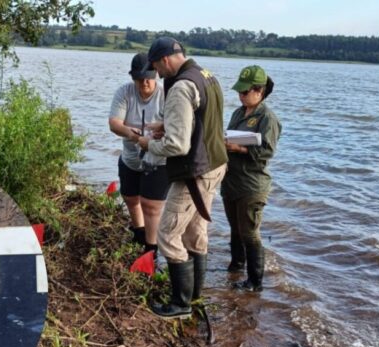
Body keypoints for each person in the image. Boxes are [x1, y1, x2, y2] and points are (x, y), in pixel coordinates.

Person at [137, 37, 228, 319]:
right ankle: (196, 296)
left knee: (167, 234)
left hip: (193, 173)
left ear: (165, 60)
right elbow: (201, 119)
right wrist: (164, 124)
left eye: (155, 67)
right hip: (216, 165)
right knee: (196, 231)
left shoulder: (180, 87)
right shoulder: (207, 76)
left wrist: (147, 143)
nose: (155, 74)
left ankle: (180, 304)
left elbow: (178, 146)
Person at [221, 65, 281, 292]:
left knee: (249, 232)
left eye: (245, 92)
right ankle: (236, 267)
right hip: (231, 181)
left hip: (252, 185)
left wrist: (240, 148)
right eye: (240, 91)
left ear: (260, 91)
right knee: (234, 229)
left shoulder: (267, 118)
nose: (241, 95)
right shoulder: (238, 113)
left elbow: (267, 152)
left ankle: (255, 282)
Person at [108, 53, 167, 254]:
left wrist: (161, 132)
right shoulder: (124, 92)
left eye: (149, 78)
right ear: (133, 78)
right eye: (139, 79)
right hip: (130, 157)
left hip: (157, 160)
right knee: (130, 198)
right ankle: (139, 234)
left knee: (150, 206)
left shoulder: (166, 95)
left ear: (156, 75)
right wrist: (134, 136)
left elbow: (178, 126)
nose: (144, 83)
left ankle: (151, 250)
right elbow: (114, 123)